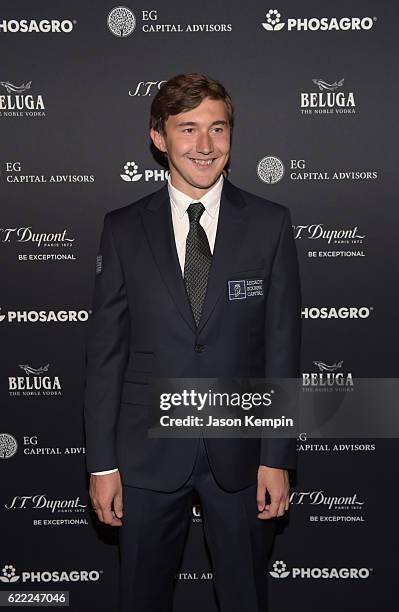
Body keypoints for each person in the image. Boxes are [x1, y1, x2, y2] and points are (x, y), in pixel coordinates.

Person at [83, 72, 301, 612]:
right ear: (159, 138)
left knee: (246, 599)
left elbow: (281, 350)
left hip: (243, 459)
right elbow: (106, 355)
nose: (205, 146)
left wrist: (276, 457)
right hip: (146, 458)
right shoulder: (123, 228)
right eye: (188, 129)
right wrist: (102, 464)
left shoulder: (271, 224)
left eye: (217, 129)